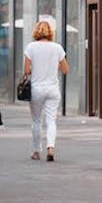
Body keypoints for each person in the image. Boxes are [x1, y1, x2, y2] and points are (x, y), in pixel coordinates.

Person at [23, 21, 68, 162]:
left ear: (36, 31)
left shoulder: (31, 47)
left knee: (36, 120)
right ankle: (51, 147)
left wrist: (36, 68)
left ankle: (36, 151)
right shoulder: (57, 48)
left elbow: (26, 71)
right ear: (50, 32)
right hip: (53, 89)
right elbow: (65, 70)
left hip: (36, 89)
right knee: (51, 120)